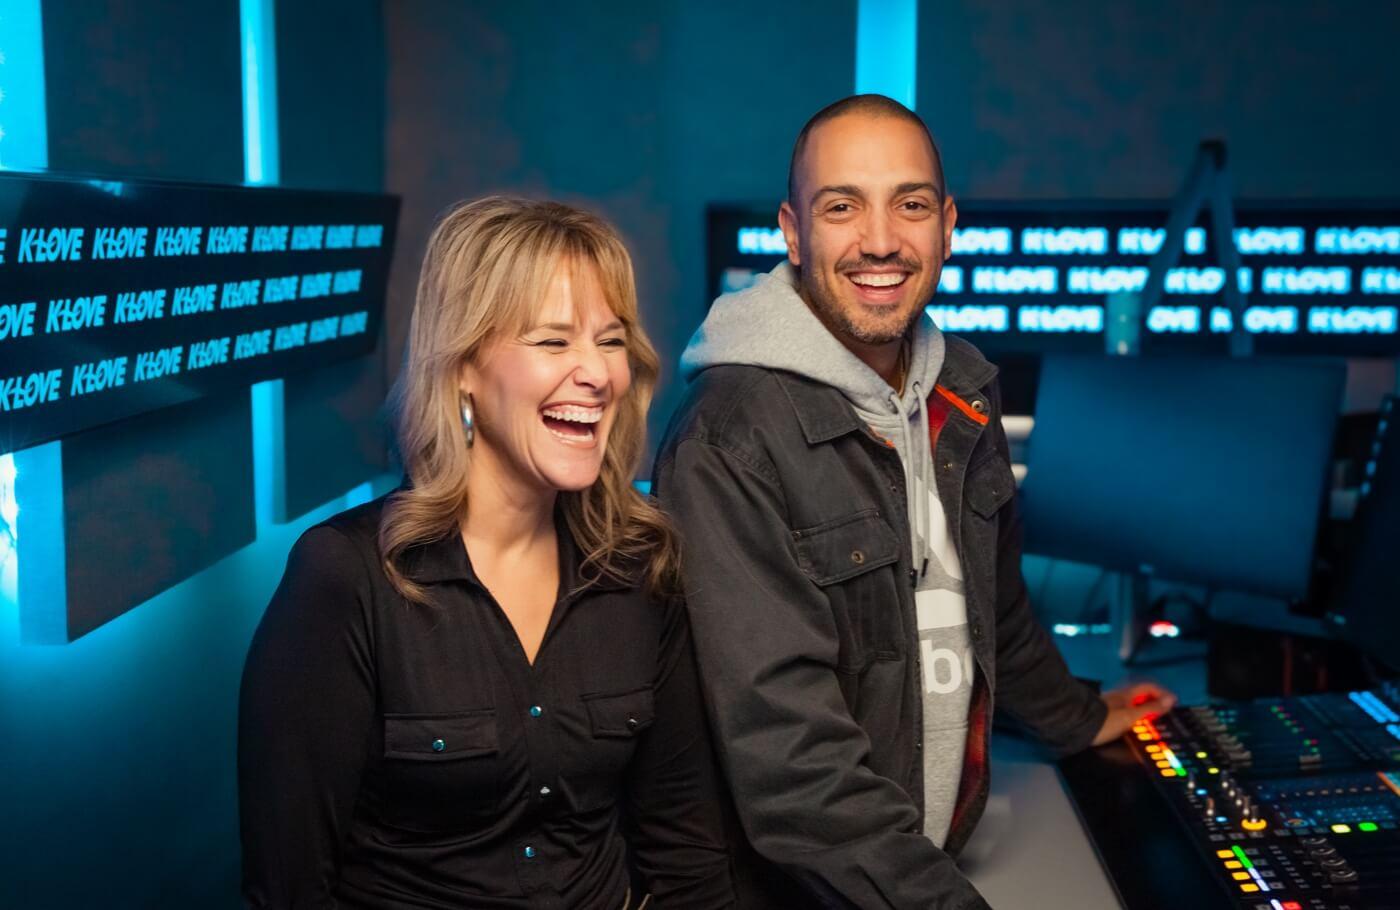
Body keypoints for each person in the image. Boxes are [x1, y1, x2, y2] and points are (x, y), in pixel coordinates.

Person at [653, 95, 1176, 909]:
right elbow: (794, 770)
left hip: (920, 864)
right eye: (841, 207)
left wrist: (1078, 718)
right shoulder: (730, 436)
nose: (882, 241)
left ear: (948, 224)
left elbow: (993, 613)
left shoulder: (963, 391)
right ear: (793, 233)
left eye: (911, 204)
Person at [239, 197, 735, 909]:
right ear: (464, 366)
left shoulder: (643, 569)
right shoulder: (347, 578)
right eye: (554, 341)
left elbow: (684, 854)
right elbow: (289, 890)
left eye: (611, 339)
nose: (597, 373)